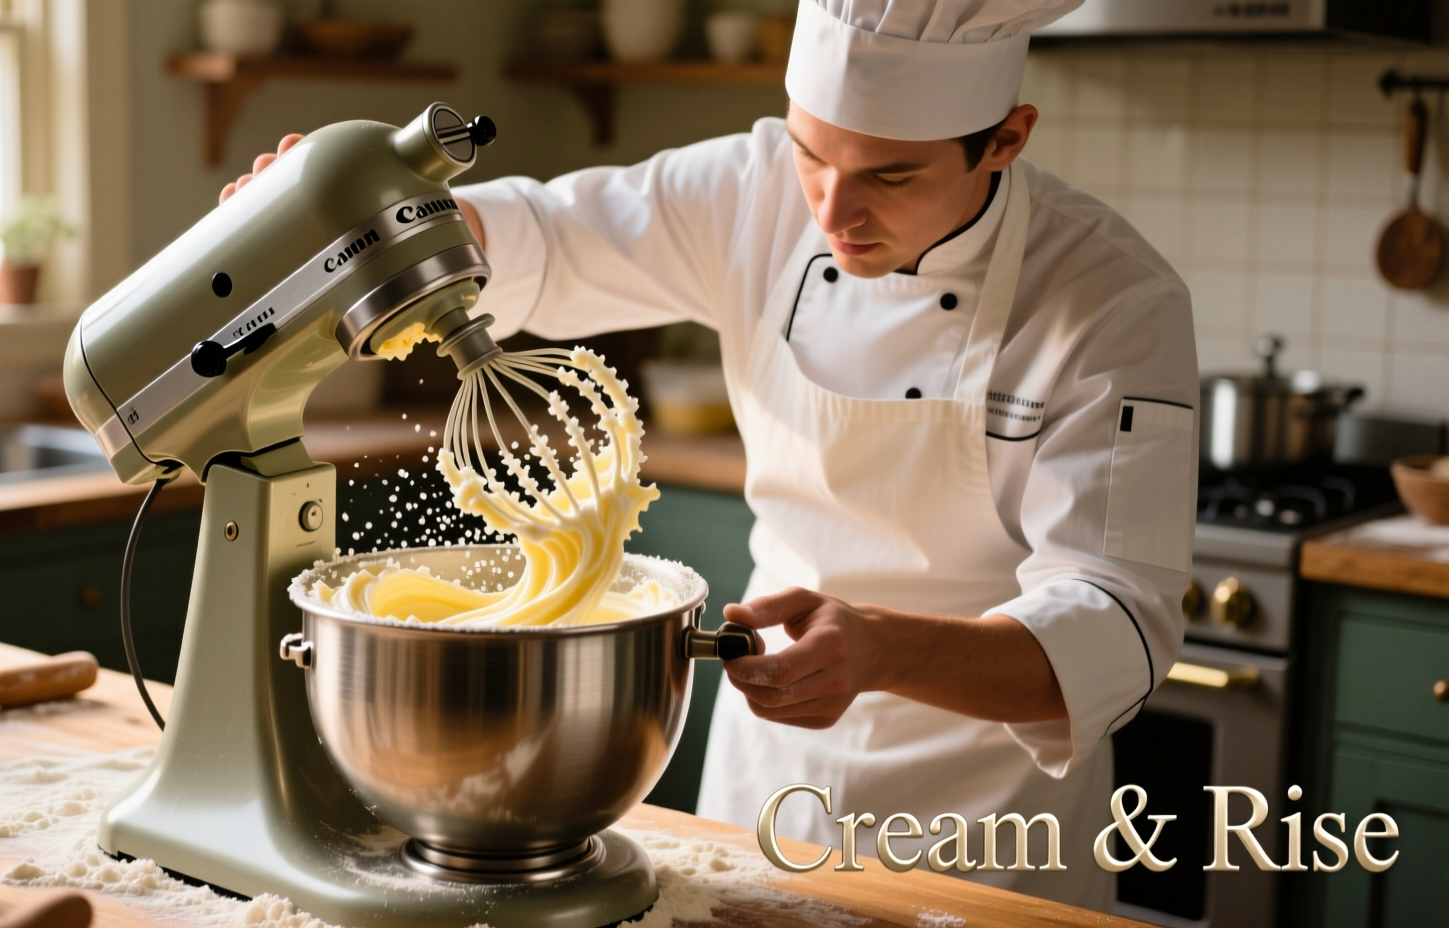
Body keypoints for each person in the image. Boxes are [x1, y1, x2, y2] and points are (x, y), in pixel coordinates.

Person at [224, 0, 1195, 911]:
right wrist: (362, 225)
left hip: (989, 828)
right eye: (812, 154)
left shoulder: (1110, 298)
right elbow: (550, 236)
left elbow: (1115, 621)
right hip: (770, 782)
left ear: (1007, 138)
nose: (830, 208)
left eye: (889, 176)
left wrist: (884, 648)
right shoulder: (753, 187)